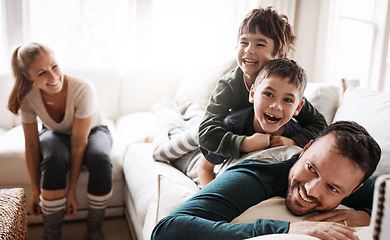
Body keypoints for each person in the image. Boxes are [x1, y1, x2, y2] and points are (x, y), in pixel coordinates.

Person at [151, 121, 381, 240]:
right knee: (178, 128)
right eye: (311, 168)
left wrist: (368, 214)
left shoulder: (349, 177)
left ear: (353, 190)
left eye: (332, 188)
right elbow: (167, 231)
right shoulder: (256, 175)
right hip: (205, 156)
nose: (310, 189)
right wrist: (287, 228)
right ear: (305, 149)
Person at [198, 7, 327, 178]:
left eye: (259, 44)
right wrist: (244, 143)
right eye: (244, 42)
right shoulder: (228, 85)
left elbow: (320, 125)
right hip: (229, 129)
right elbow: (206, 132)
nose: (249, 50)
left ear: (279, 54)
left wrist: (293, 141)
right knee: (188, 134)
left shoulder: (283, 89)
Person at [8, 42, 113, 240]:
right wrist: (34, 191)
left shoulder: (83, 88)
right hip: (54, 132)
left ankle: (94, 227)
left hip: (93, 131)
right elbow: (31, 145)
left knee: (100, 158)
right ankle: (52, 233)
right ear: (27, 76)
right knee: (54, 158)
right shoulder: (27, 98)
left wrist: (71, 191)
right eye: (42, 73)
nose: (53, 77)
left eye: (54, 67)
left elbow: (78, 142)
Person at [198, 58, 307, 186]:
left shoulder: (296, 133)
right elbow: (204, 168)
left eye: (287, 100)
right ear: (253, 94)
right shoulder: (233, 125)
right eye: (269, 94)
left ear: (298, 108)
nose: (276, 106)